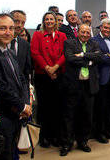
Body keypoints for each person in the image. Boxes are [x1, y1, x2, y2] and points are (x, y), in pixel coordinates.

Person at [0, 13, 31, 160]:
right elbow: (0, 85)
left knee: (13, 149)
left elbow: (21, 79)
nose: (8, 32)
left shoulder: (10, 51)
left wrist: (26, 103)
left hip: (16, 112)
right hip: (2, 113)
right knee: (4, 152)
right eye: (3, 28)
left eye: (11, 28)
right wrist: (21, 106)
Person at [60, 24, 103, 156]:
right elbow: (70, 58)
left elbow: (99, 57)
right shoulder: (69, 42)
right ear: (78, 32)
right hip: (73, 85)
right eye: (82, 32)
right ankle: (67, 143)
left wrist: (83, 54)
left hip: (89, 86)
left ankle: (83, 141)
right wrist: (89, 61)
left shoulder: (94, 43)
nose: (85, 35)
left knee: (86, 115)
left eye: (87, 32)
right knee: (69, 116)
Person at [30, 11, 67, 147]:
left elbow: (64, 53)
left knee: (58, 107)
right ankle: (44, 137)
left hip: (59, 75)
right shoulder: (38, 35)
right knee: (44, 108)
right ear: (43, 21)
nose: (49, 21)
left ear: (56, 21)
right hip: (43, 76)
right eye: (47, 19)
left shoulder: (62, 35)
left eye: (52, 19)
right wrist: (48, 69)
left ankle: (56, 136)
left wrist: (55, 67)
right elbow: (35, 53)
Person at [10, 10, 33, 89]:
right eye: (16, 21)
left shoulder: (25, 44)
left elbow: (26, 72)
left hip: (20, 90)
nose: (20, 25)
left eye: (23, 23)